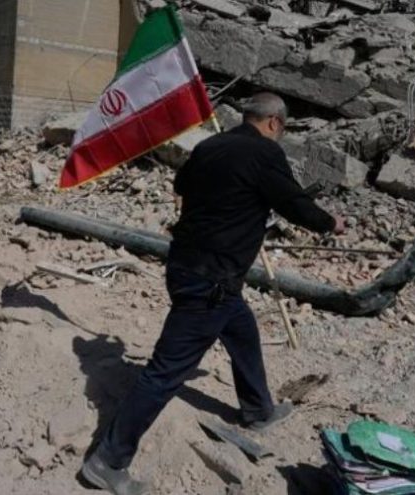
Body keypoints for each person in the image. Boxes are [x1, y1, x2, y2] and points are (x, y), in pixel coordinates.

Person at [81, 92, 345, 495]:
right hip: (211, 279)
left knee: (241, 327)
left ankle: (258, 410)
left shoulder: (209, 145)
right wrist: (329, 224)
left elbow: (181, 183)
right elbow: (292, 201)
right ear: (274, 122)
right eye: (283, 128)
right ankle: (107, 460)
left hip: (186, 266)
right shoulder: (263, 154)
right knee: (164, 372)